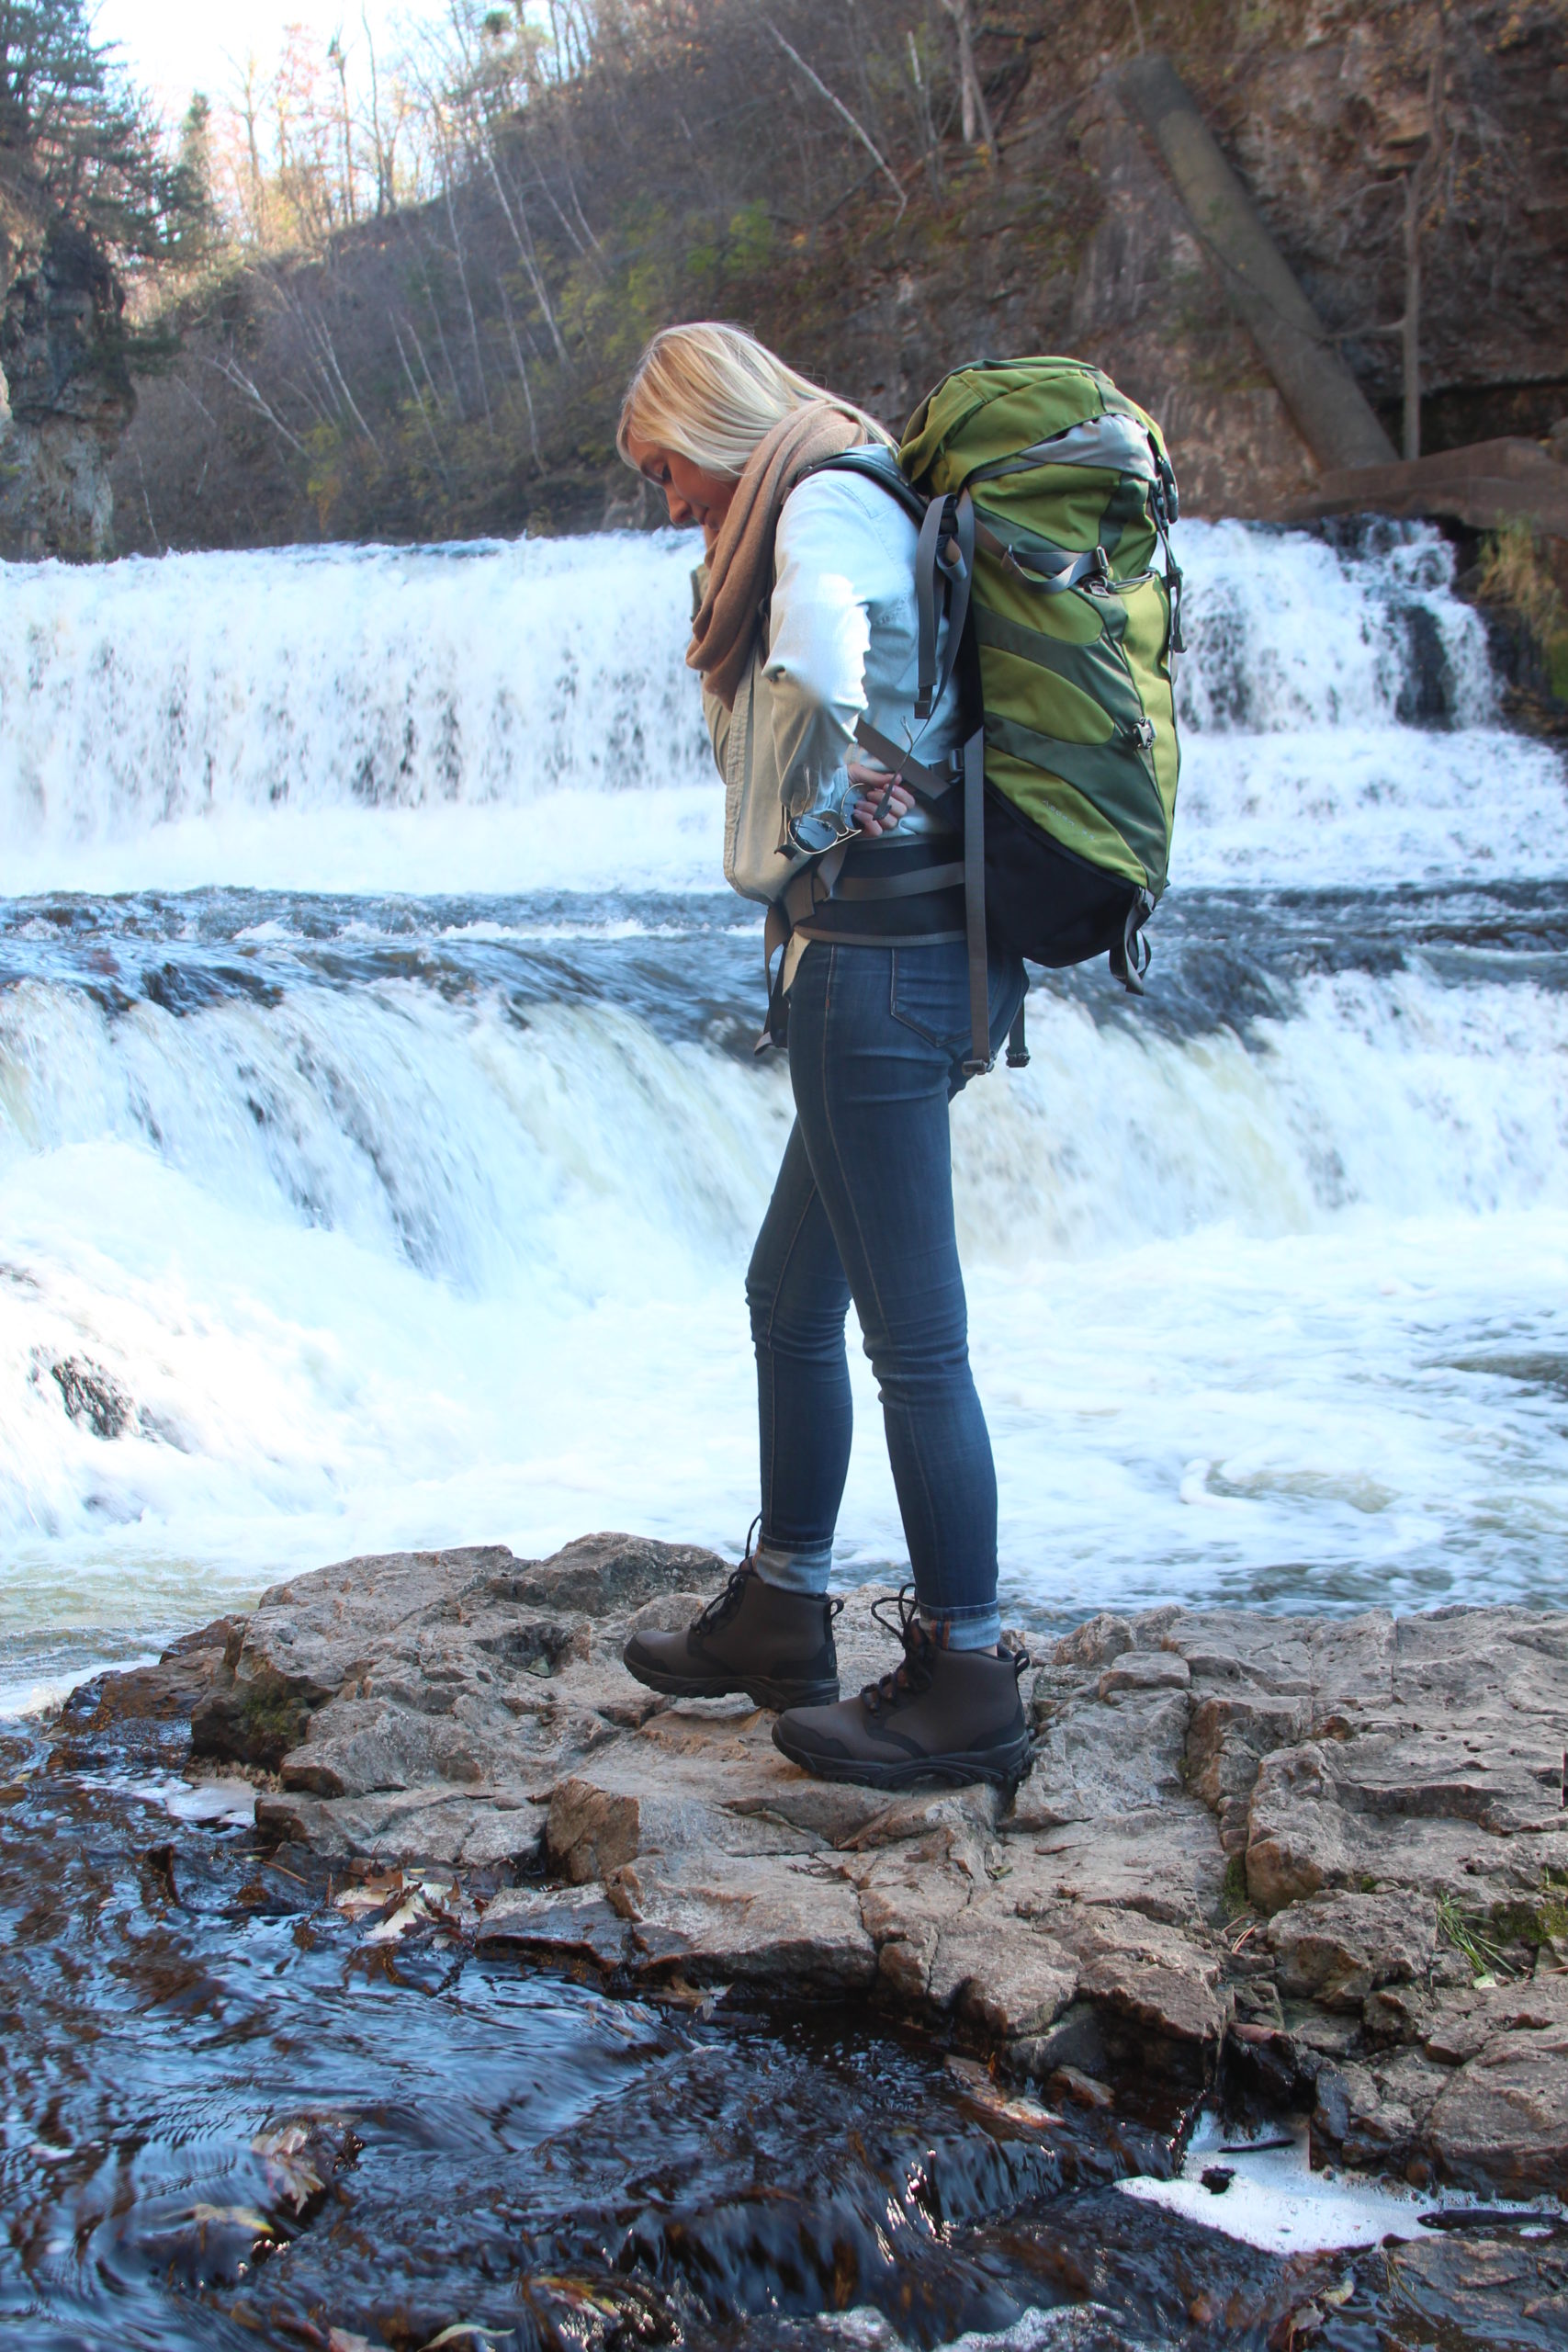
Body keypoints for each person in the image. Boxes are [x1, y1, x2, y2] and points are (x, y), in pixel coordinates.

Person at [615, 322, 1028, 1789]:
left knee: (913, 1347)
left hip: (880, 970)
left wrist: (777, 837)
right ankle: (787, 1609)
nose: (668, 503)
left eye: (667, 469)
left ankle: (966, 1675)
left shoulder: (821, 503)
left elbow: (817, 658)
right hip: (907, 963)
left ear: (717, 429)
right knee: (788, 1298)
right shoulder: (838, 490)